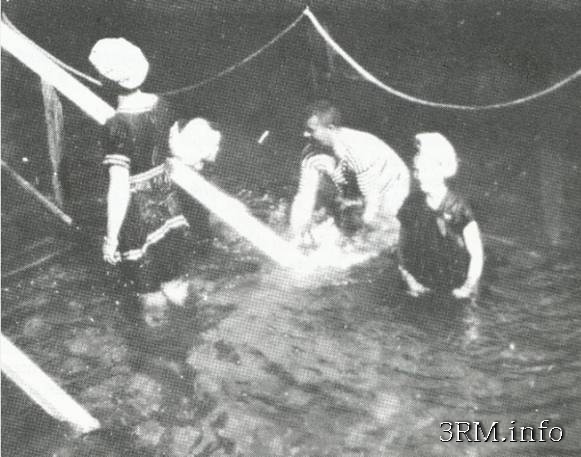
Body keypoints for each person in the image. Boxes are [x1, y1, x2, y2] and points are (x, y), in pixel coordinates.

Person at [89, 37, 219, 324]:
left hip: (138, 217)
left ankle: (162, 347)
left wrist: (111, 239)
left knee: (151, 298)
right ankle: (197, 332)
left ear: (105, 80)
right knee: (176, 284)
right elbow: (174, 151)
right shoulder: (162, 105)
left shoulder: (116, 125)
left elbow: (119, 188)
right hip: (169, 206)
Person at [289, 100, 410, 247]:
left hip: (392, 181)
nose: (305, 134)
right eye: (305, 129)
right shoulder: (311, 153)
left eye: (311, 130)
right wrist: (298, 233)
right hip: (353, 180)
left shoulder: (356, 150)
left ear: (331, 128)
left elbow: (372, 201)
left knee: (378, 231)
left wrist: (364, 231)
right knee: (331, 226)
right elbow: (304, 197)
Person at [397, 132, 484, 299]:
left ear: (441, 171)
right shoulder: (412, 203)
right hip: (420, 281)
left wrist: (466, 288)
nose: (417, 176)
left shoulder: (458, 208)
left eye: (424, 170)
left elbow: (476, 255)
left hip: (457, 285)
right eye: (416, 170)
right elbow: (401, 246)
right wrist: (408, 278)